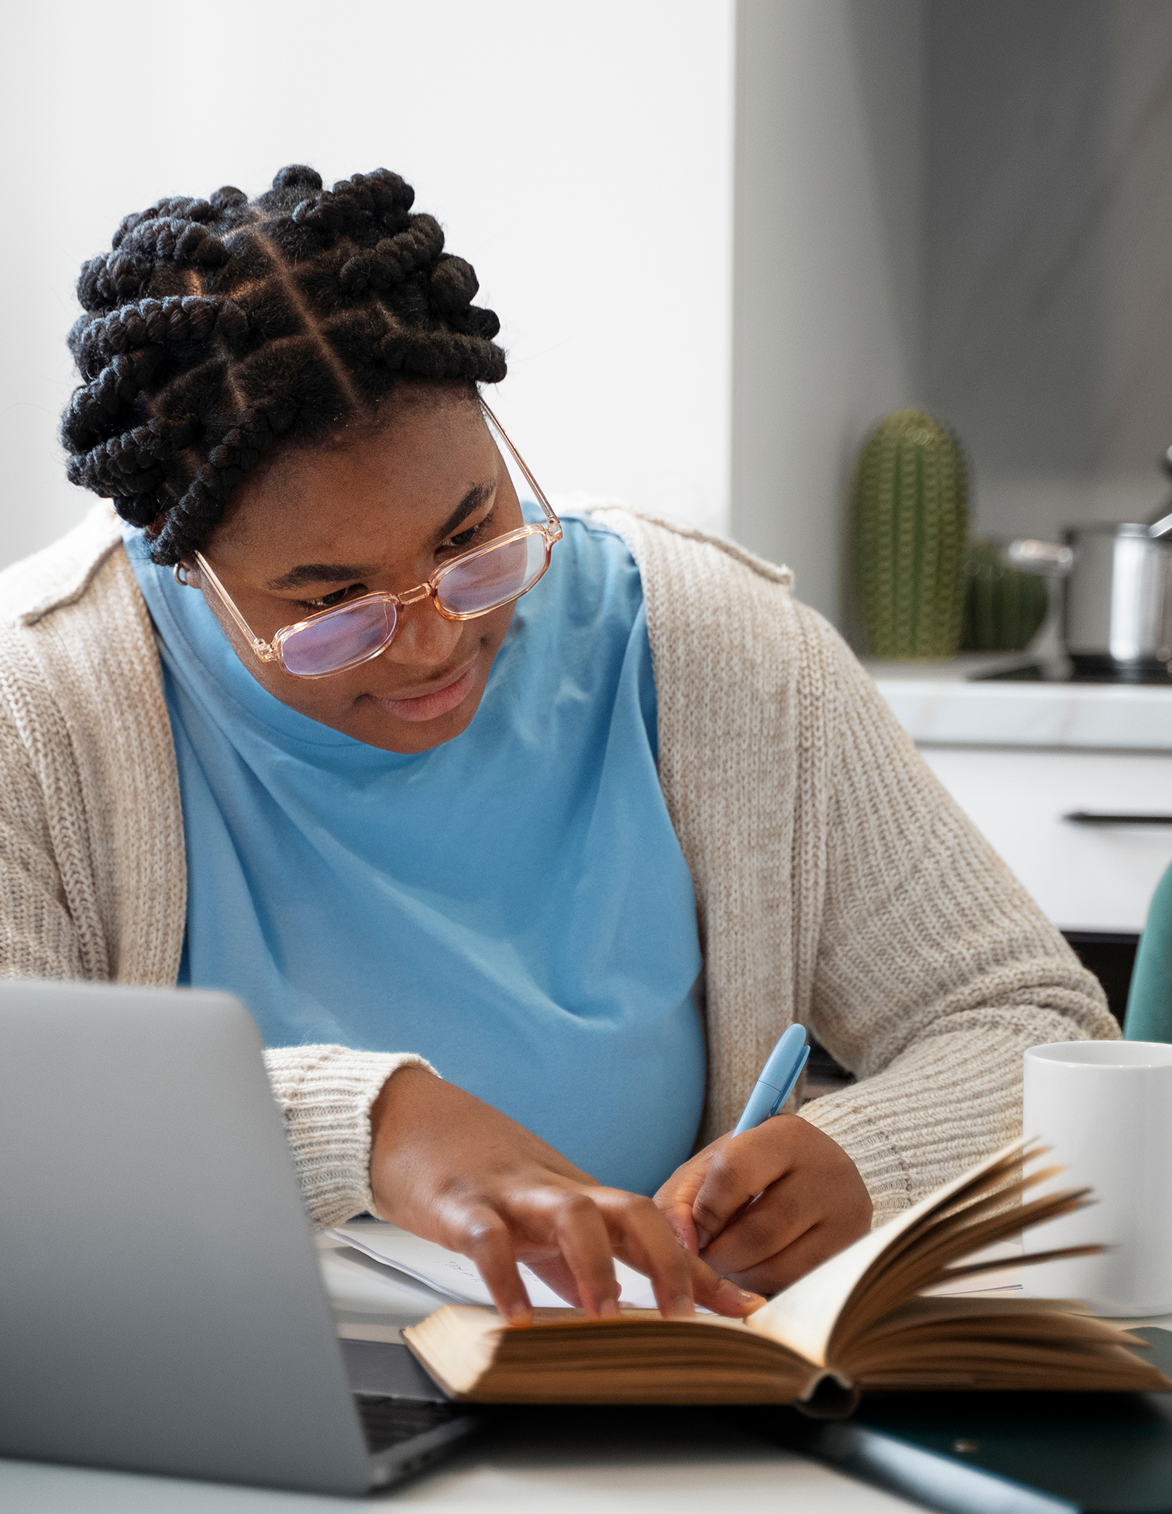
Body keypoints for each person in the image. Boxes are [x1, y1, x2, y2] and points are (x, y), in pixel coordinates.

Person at [0, 165, 1115, 1324]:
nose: (434, 640)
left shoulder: (716, 650)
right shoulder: (37, 703)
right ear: (182, 558)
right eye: (333, 603)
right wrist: (374, 1129)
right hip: (207, 1399)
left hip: (631, 1399)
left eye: (470, 535)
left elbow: (1035, 1022)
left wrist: (865, 1154)